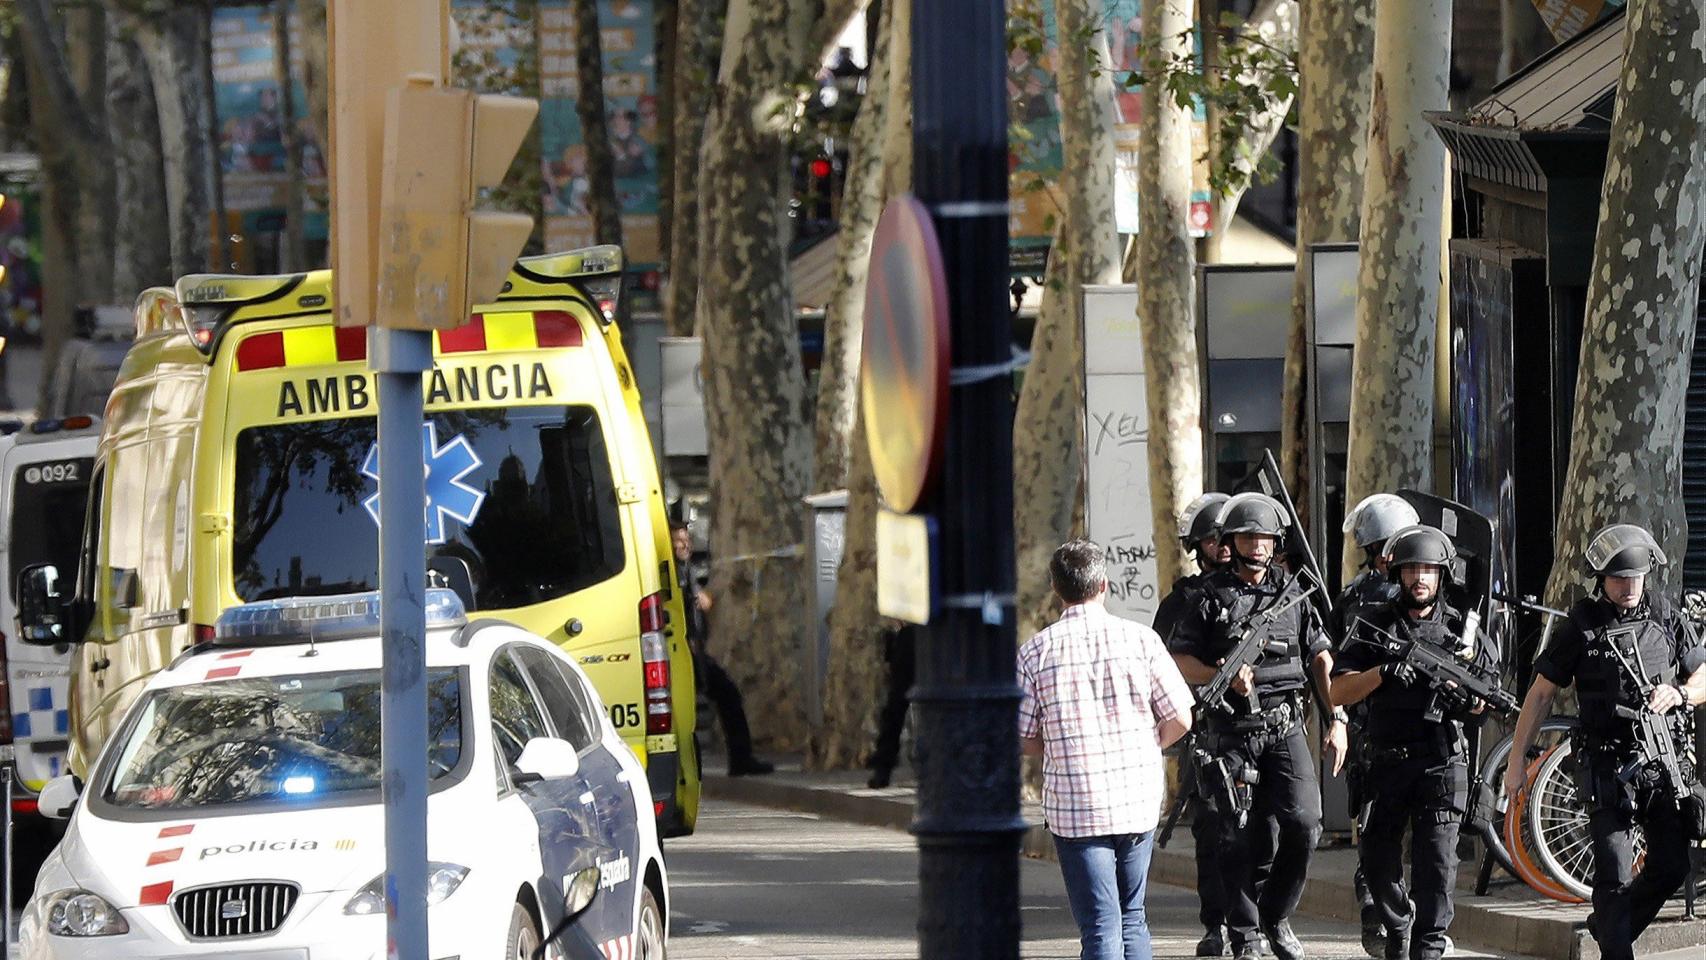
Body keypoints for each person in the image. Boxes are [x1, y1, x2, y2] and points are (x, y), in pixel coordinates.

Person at [1503, 524, 1706, 960]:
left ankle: (1610, 927)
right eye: (1618, 578)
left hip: (1660, 765)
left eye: (1635, 577)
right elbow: (1541, 693)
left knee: (1672, 867)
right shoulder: (1582, 625)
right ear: (1602, 579)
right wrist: (1517, 759)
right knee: (1613, 875)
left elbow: (1702, 672)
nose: (1628, 585)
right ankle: (1616, 945)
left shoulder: (1667, 615)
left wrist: (1682, 693)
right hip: (1607, 766)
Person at [1169, 492, 1347, 960]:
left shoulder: (1294, 592)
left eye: (1265, 537)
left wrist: (1337, 718)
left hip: (1284, 726)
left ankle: (1276, 914)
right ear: (1231, 540)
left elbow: (1321, 659)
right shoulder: (1207, 599)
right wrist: (1219, 675)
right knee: (1234, 834)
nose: (1258, 546)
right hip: (1230, 733)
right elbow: (1178, 659)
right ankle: (1245, 934)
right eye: (1248, 536)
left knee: (1306, 822)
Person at [1019, 539, 1194, 960]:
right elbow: (1181, 718)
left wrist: (1060, 751)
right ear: (1104, 585)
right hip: (1136, 799)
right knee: (1133, 915)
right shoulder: (1142, 641)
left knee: (1100, 923)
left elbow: (1022, 735)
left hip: (1076, 804)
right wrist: (1149, 745)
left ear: (1055, 589)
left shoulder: (1035, 651)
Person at [1332, 525, 1488, 960]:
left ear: (1443, 575)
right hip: (1387, 762)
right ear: (1397, 572)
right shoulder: (1374, 623)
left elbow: (1485, 699)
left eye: (1429, 570)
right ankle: (1399, 921)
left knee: (1437, 867)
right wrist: (1383, 673)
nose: (1420, 578)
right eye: (1411, 569)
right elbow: (1337, 691)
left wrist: (1466, 698)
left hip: (1441, 762)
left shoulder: (1463, 631)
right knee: (1378, 866)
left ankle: (1429, 945)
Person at [1335, 493, 1420, 959]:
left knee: (1377, 830)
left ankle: (1380, 906)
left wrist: (1338, 719)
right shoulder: (1392, 598)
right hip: (1389, 729)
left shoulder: (1353, 594)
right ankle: (1386, 910)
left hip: (1367, 730)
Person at [1155, 492, 1235, 958]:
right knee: (1212, 829)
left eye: (1229, 537)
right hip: (1207, 726)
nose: (1223, 546)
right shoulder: (1184, 600)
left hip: (1264, 724)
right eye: (1212, 538)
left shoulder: (1268, 590)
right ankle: (1217, 923)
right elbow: (1161, 661)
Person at [671, 524, 774, 776]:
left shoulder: (686, 569)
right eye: (678, 541)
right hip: (682, 651)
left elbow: (697, 601)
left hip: (694, 651)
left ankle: (741, 760)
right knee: (722, 696)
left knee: (727, 696)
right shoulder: (672, 572)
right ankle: (738, 760)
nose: (685, 545)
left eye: (687, 540)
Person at [865, 622, 915, 789]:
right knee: (895, 708)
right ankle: (883, 766)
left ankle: (883, 767)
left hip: (917, 634)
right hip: (916, 635)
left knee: (895, 709)